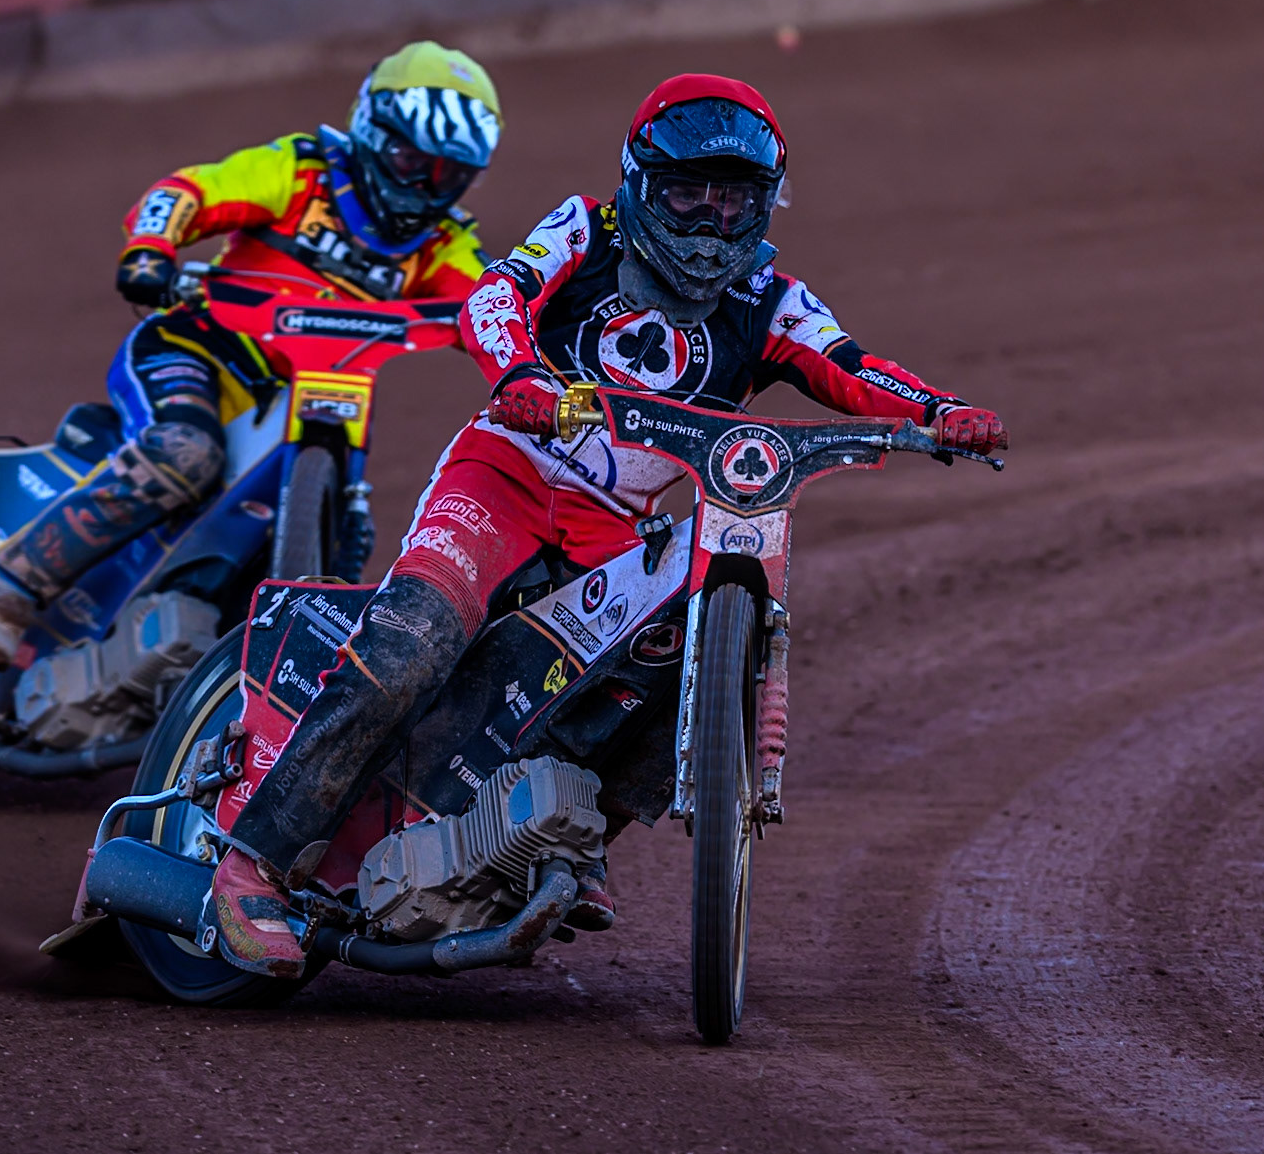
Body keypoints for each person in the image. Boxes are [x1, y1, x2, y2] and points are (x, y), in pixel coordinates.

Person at [208, 73, 1010, 978]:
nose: (709, 223)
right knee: (414, 641)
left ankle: (577, 832)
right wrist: (517, 375)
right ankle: (253, 867)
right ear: (638, 181)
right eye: (686, 194)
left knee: (683, 656)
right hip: (505, 476)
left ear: (765, 205)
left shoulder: (772, 299)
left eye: (733, 199)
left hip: (615, 526)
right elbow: (491, 298)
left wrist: (942, 411)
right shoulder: (585, 229)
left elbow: (849, 365)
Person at [0, 42, 504, 669]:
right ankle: (10, 588)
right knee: (184, 454)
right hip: (198, 350)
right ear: (371, 130)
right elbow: (193, 190)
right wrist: (151, 248)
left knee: (351, 533)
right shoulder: (302, 173)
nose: (423, 188)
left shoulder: (442, 245)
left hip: (307, 402)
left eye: (448, 175)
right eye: (412, 159)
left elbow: (496, 302)